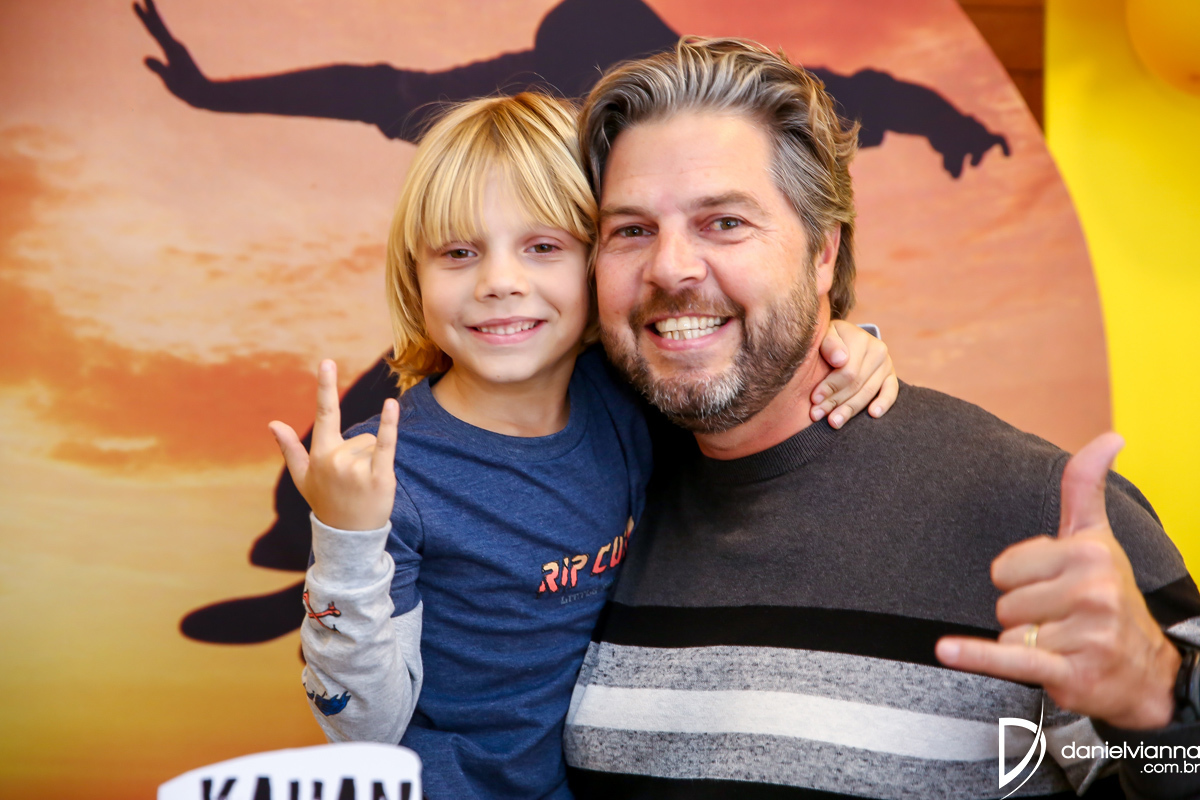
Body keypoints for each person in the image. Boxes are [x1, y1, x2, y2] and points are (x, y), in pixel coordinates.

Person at [562, 38, 1200, 799]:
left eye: (725, 222)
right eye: (631, 230)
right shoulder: (597, 497)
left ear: (823, 253)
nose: (670, 267)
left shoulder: (1039, 514)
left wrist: (1160, 703)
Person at [268, 92, 898, 799]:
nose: (499, 283)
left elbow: (747, 382)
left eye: (543, 247)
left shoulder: (624, 396)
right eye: (458, 253)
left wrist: (846, 346)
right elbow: (363, 725)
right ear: (414, 278)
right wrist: (348, 542)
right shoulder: (387, 476)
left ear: (599, 265)